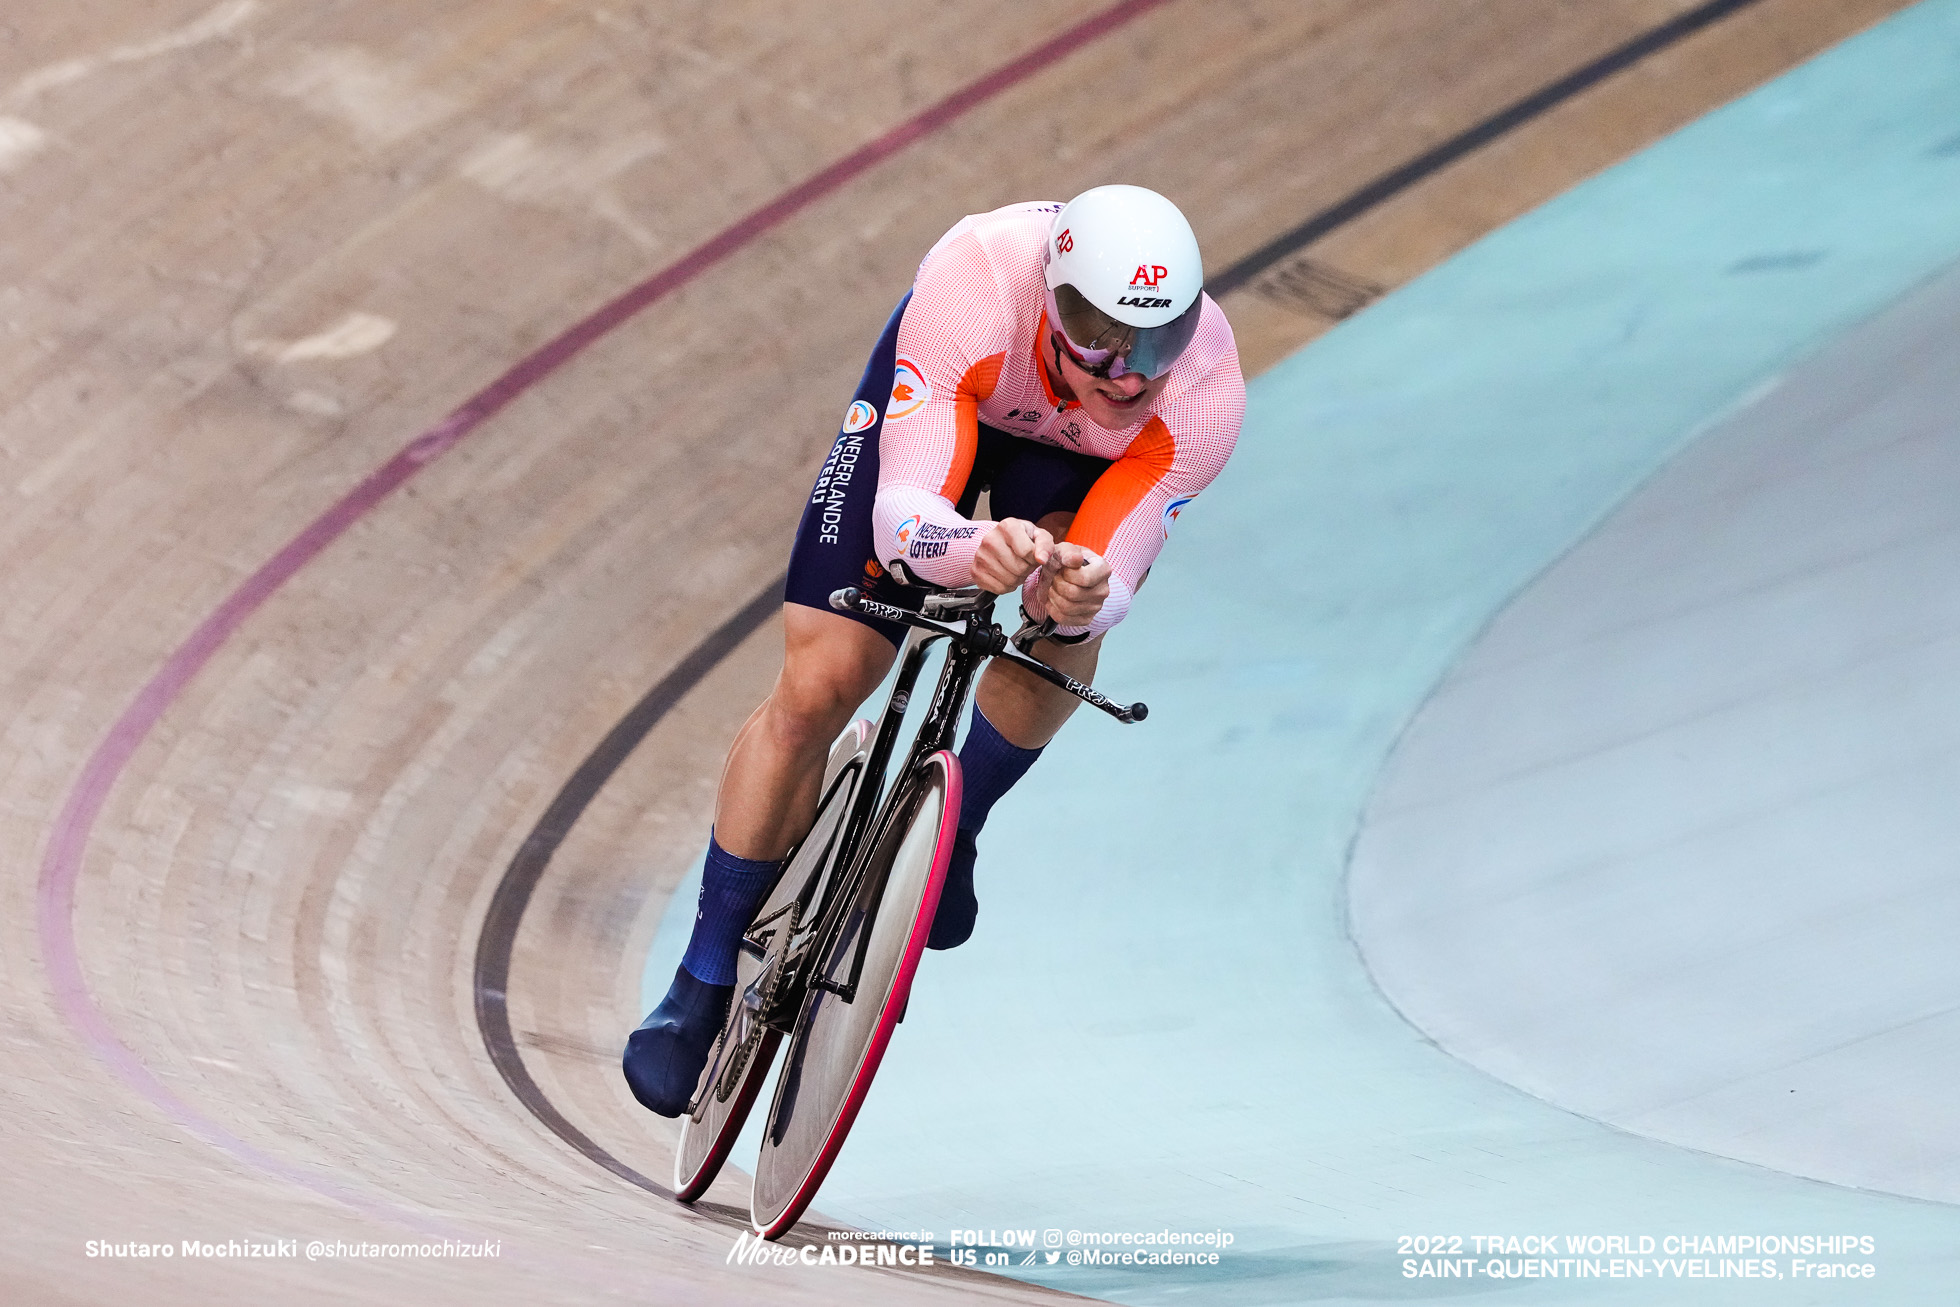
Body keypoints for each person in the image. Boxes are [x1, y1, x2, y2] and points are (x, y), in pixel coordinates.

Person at [623, 185, 1245, 1117]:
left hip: (1070, 468)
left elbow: (1113, 575)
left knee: (1061, 627)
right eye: (1106, 342)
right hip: (951, 405)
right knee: (824, 680)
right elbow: (903, 512)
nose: (1129, 375)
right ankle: (702, 977)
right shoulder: (977, 279)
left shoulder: (1202, 391)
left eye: (1157, 342)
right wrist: (969, 549)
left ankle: (957, 824)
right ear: (1054, 293)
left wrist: (1074, 593)